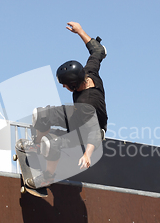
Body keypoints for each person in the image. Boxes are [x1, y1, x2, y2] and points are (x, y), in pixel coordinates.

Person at [17, 21, 108, 189]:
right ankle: (37, 145)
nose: (64, 88)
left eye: (65, 85)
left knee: (52, 144)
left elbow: (94, 132)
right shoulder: (89, 72)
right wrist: (80, 30)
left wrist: (87, 154)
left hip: (90, 128)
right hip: (76, 114)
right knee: (40, 114)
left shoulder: (88, 103)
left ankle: (48, 177)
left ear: (73, 84)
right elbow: (99, 51)